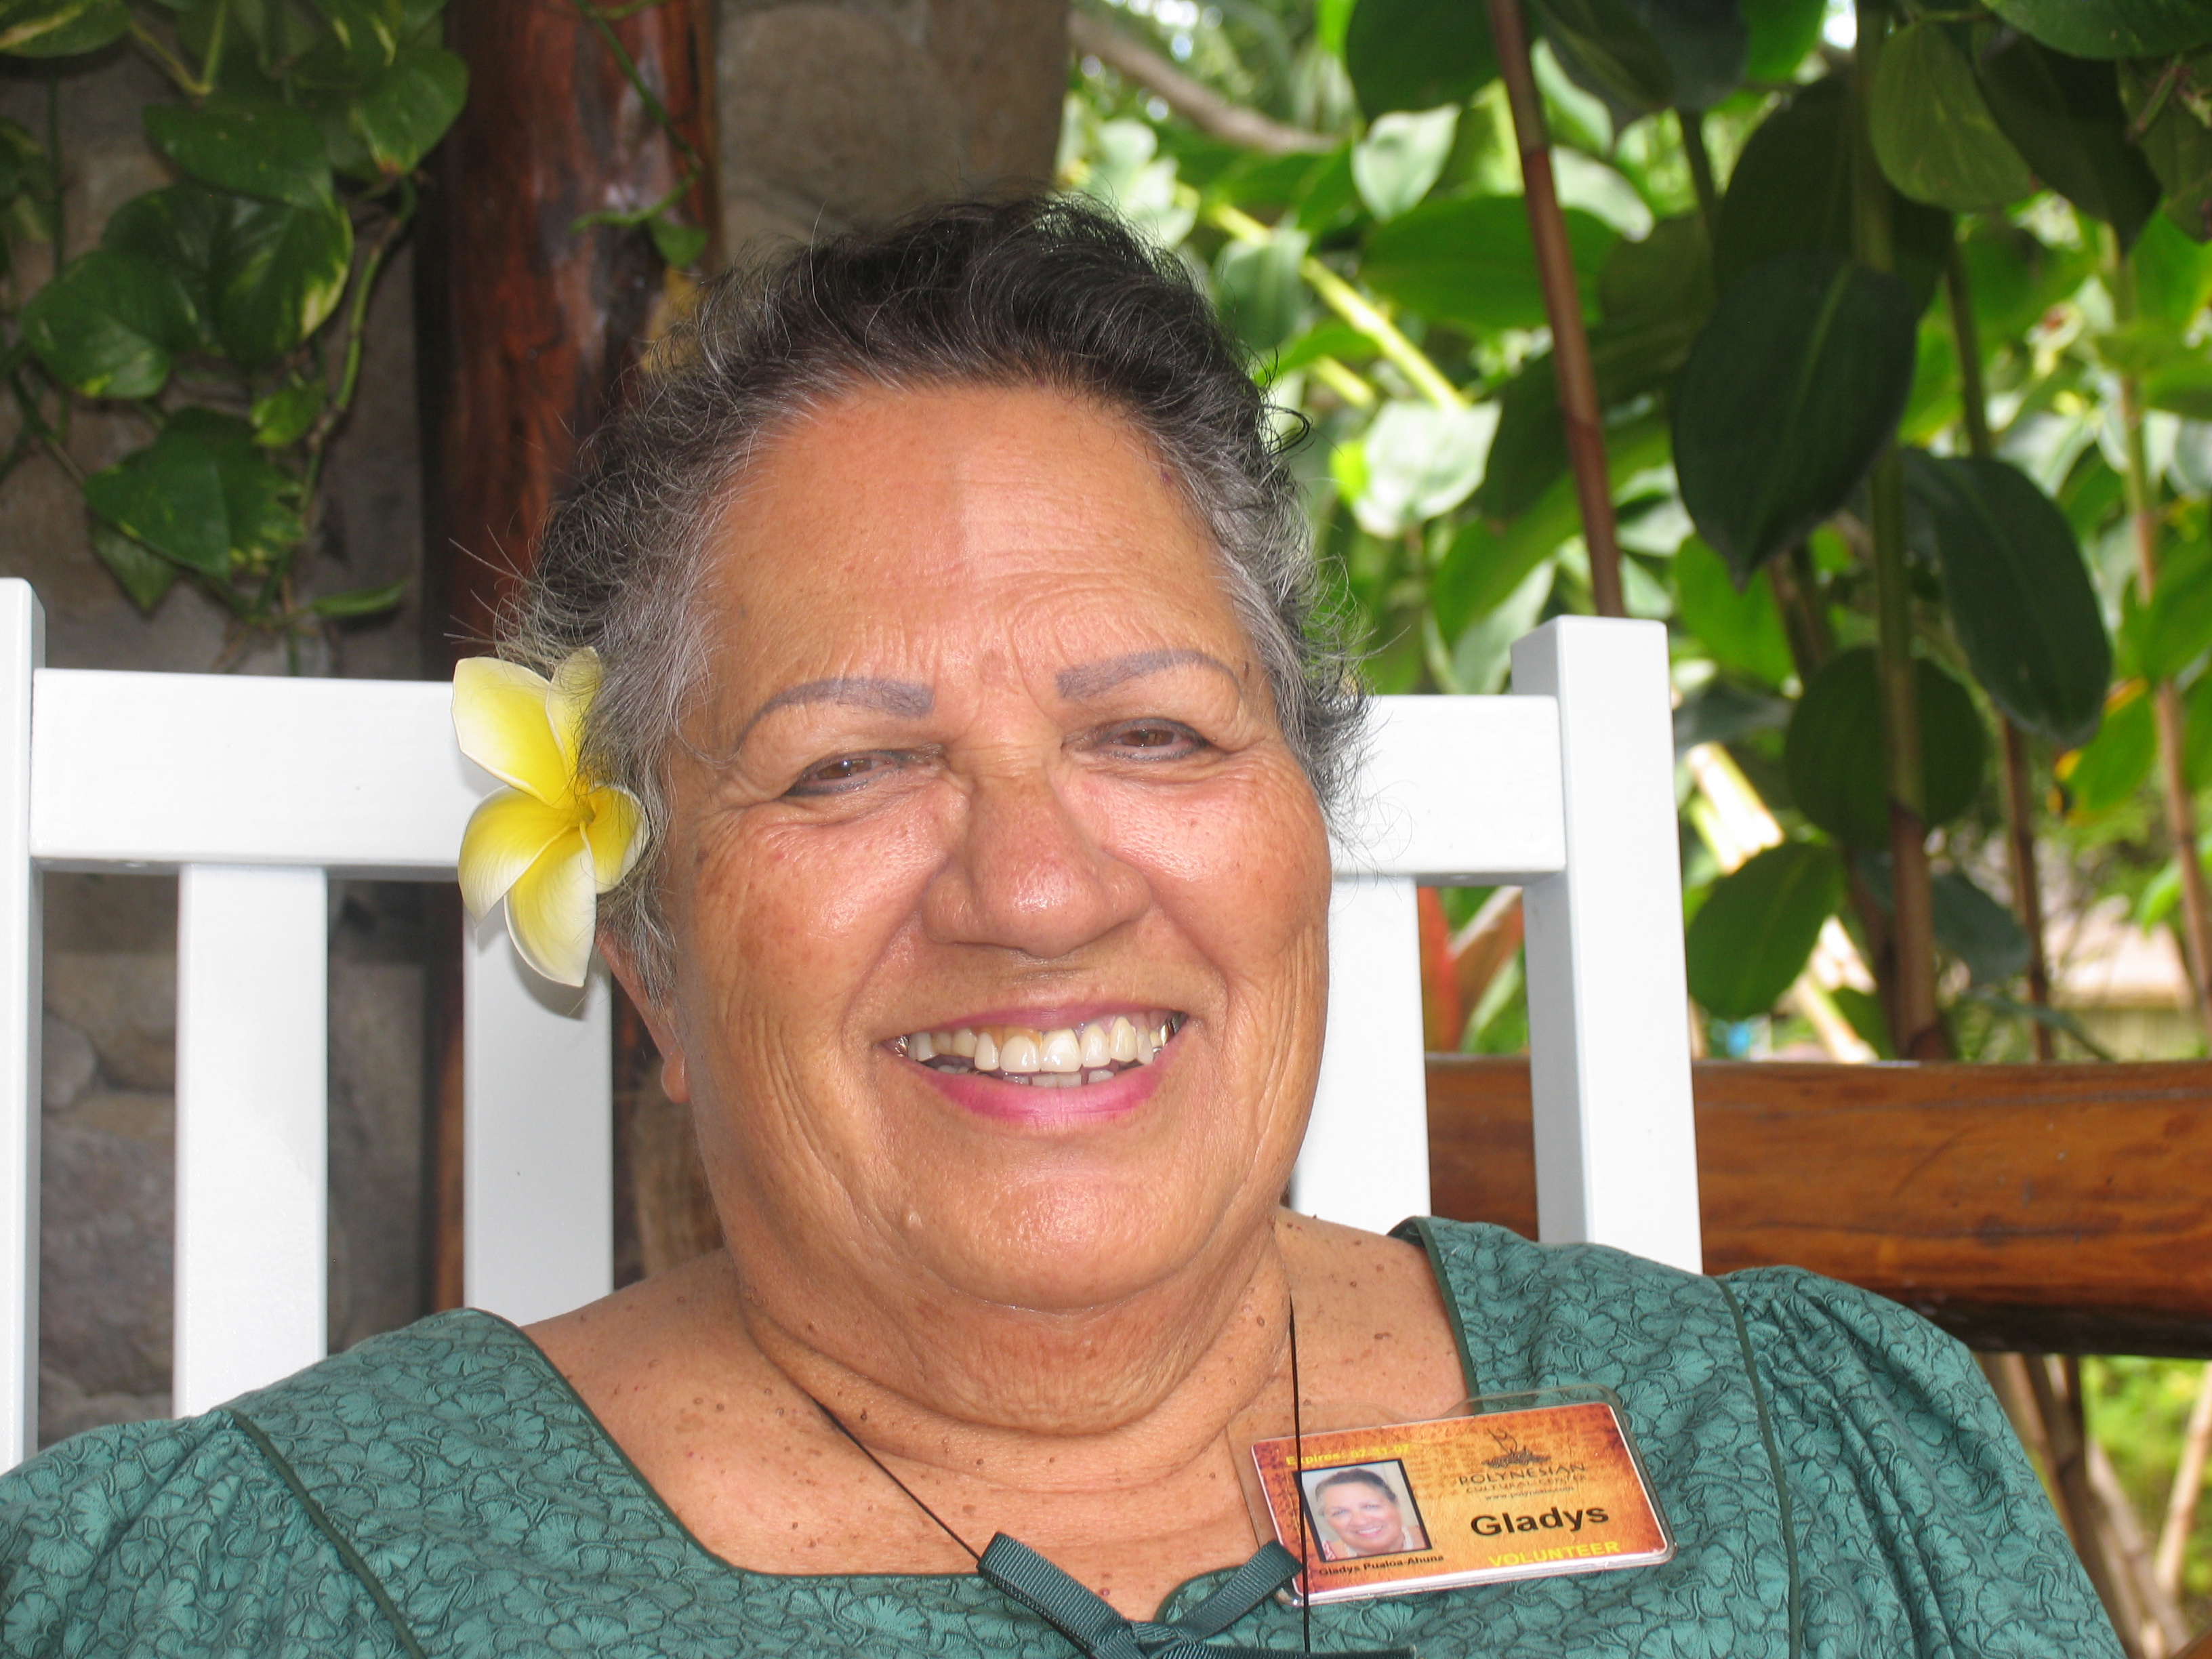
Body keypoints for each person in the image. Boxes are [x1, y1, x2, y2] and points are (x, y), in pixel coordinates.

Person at [0, 197, 2121, 1658]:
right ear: (649, 958)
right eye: (848, 766)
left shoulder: (1800, 1478)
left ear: (1304, 835)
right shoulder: (288, 1588)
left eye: (1152, 733)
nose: (1033, 888)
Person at [1311, 1467, 1427, 1559]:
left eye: (1371, 1506)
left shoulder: (1435, 1537)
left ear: (1395, 1504)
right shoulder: (1314, 1562)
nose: (1360, 1521)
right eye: (1340, 1512)